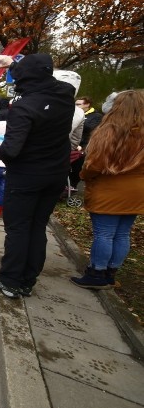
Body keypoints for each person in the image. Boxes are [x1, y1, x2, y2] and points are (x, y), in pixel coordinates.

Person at [0, 54, 75, 298]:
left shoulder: (24, 106)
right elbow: (52, 79)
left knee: (18, 228)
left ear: (24, 78)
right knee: (38, 227)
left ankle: (10, 280)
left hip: (26, 176)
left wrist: (2, 153)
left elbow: (12, 149)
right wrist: (16, 63)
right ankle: (28, 280)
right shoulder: (66, 96)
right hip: (56, 174)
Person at [70, 90, 143, 289]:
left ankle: (96, 273)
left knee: (104, 233)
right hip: (137, 192)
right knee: (122, 234)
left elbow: (94, 164)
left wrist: (83, 176)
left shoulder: (109, 131)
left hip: (109, 191)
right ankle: (111, 273)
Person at [69, 96, 102, 192]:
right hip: (73, 142)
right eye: (75, 104)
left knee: (77, 164)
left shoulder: (96, 116)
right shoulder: (74, 113)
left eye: (78, 104)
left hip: (85, 144)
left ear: (87, 104)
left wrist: (79, 120)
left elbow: (91, 128)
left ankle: (73, 186)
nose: (76, 106)